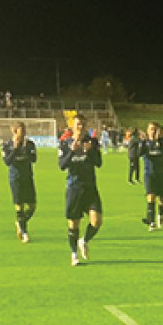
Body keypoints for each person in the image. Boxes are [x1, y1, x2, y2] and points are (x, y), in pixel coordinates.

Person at [57, 114, 103, 266]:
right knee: (74, 224)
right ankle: (74, 254)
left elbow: (99, 163)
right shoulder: (65, 143)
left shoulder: (93, 142)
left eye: (83, 124)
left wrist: (90, 151)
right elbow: (62, 165)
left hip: (90, 187)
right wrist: (71, 151)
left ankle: (84, 240)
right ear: (72, 125)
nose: (80, 127)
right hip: (74, 188)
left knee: (96, 222)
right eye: (78, 124)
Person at [2, 122, 37, 243]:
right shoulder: (7, 145)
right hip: (15, 179)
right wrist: (15, 149)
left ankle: (20, 223)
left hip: (28, 178)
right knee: (19, 207)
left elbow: (34, 159)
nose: (24, 134)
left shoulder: (30, 144)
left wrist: (26, 149)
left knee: (32, 207)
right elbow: (7, 161)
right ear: (14, 131)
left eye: (25, 131)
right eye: (22, 131)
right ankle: (25, 233)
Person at [139, 122, 163, 231]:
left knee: (161, 199)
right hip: (149, 174)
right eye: (151, 129)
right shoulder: (144, 143)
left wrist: (160, 140)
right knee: (150, 197)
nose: (153, 132)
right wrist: (143, 141)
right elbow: (138, 153)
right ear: (147, 130)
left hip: (161, 174)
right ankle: (152, 223)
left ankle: (160, 216)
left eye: (155, 129)